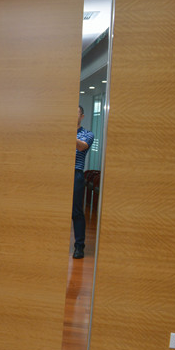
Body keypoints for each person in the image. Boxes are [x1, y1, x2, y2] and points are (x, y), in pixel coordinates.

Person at [73, 105, 95, 259]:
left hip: (76, 174)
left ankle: (79, 246)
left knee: (76, 212)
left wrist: (67, 132)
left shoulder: (88, 134)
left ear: (82, 116)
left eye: (76, 113)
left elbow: (81, 147)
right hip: (58, 174)